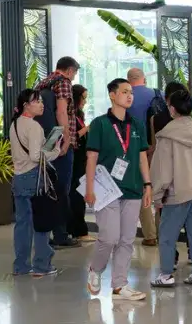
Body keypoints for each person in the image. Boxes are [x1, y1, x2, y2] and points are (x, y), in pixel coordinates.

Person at [84, 78, 151, 302]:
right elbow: (91, 157)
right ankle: (95, 269)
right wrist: (90, 188)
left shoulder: (137, 125)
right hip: (107, 190)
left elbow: (142, 157)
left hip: (132, 189)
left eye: (131, 92)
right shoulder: (100, 124)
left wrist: (148, 185)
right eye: (124, 92)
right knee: (109, 237)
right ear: (112, 95)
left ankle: (120, 285)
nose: (129, 96)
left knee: (127, 239)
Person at [150, 87, 192, 287]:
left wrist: (157, 194)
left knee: (168, 234)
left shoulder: (166, 135)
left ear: (172, 109)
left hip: (177, 191)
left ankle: (166, 274)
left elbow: (163, 170)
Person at [9, 89, 68, 277]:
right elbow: (36, 156)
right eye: (37, 101)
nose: (42, 104)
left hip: (18, 177)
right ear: (26, 105)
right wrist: (55, 151)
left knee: (22, 224)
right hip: (35, 177)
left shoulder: (15, 124)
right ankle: (42, 265)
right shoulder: (34, 126)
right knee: (42, 223)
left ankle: (21, 265)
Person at [36, 56, 82, 249]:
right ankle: (61, 234)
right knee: (61, 188)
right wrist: (67, 139)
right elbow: (61, 112)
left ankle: (45, 233)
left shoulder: (43, 83)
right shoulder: (63, 83)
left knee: (48, 187)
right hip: (59, 142)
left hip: (46, 141)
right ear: (70, 71)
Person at [124, 67, 160, 247]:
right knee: (159, 190)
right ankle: (163, 232)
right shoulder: (156, 94)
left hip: (132, 150)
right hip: (157, 149)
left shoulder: (124, 97)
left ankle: (150, 234)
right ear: (144, 78)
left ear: (128, 80)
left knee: (139, 188)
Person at [67, 85, 92, 241]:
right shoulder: (70, 116)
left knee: (79, 193)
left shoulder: (79, 115)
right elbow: (71, 136)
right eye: (83, 97)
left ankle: (80, 229)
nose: (85, 101)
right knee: (76, 194)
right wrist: (87, 129)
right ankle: (78, 230)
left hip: (82, 159)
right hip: (75, 160)